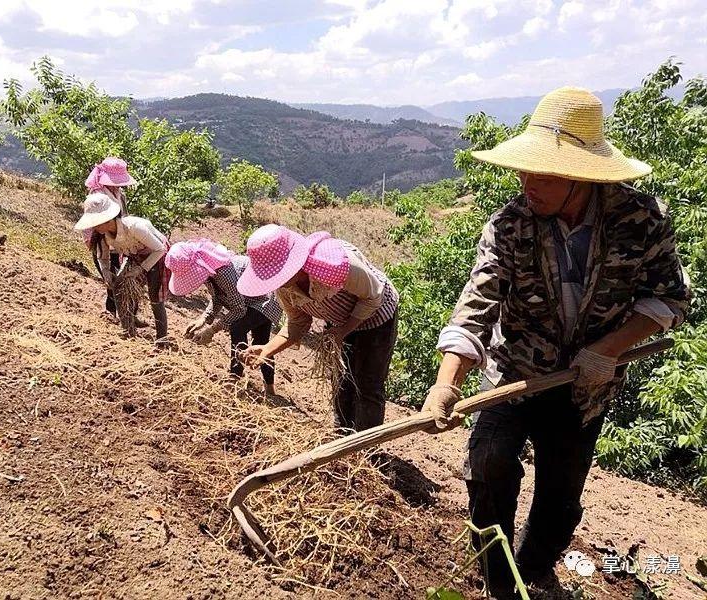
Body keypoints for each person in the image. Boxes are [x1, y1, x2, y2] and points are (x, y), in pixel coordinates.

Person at [420, 87, 690, 598]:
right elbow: (477, 303)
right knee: (488, 464)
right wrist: (445, 383)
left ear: (580, 177)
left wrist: (609, 348)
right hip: (514, 371)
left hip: (584, 384)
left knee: (561, 494)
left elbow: (670, 297)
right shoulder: (510, 225)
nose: (527, 184)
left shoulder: (640, 219)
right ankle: (498, 581)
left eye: (541, 174)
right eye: (523, 171)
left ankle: (536, 569)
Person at [238, 224, 399, 432]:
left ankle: (366, 449)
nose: (277, 280)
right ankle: (340, 437)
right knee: (342, 380)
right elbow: (298, 323)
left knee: (367, 385)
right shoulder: (286, 289)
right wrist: (268, 349)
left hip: (378, 315)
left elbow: (372, 297)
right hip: (340, 321)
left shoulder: (339, 264)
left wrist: (342, 331)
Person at [165, 239, 283, 394]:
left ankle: (235, 377)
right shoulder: (210, 273)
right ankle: (269, 388)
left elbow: (239, 309)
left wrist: (212, 330)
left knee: (238, 329)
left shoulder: (224, 273)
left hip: (266, 300)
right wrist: (204, 319)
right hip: (253, 300)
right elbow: (218, 298)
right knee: (261, 342)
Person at [74, 192, 171, 343]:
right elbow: (103, 257)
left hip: (156, 256)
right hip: (133, 255)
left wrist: (140, 269)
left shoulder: (134, 227)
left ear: (108, 218)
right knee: (119, 287)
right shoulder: (103, 235)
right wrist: (106, 273)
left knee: (155, 297)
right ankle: (127, 330)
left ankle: (161, 339)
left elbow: (159, 249)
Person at [81, 157, 137, 322]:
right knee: (112, 278)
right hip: (103, 240)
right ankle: (113, 313)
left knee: (124, 278)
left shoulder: (119, 193)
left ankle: (129, 315)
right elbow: (91, 223)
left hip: (119, 241)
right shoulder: (97, 196)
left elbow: (124, 216)